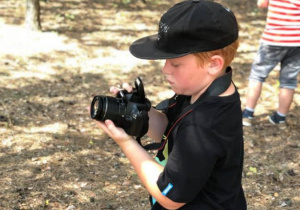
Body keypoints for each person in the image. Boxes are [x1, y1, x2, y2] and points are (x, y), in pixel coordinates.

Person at [94, 0, 247, 209]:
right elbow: (171, 132)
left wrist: (127, 142)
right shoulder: (204, 91)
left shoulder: (202, 124)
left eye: (175, 63)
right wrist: (139, 112)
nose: (165, 69)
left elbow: (170, 195)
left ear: (213, 64)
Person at [242, 0, 300, 129]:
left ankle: (247, 114)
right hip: (297, 41)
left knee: (257, 76)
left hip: (274, 39)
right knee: (289, 81)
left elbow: (261, 4)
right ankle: (280, 118)